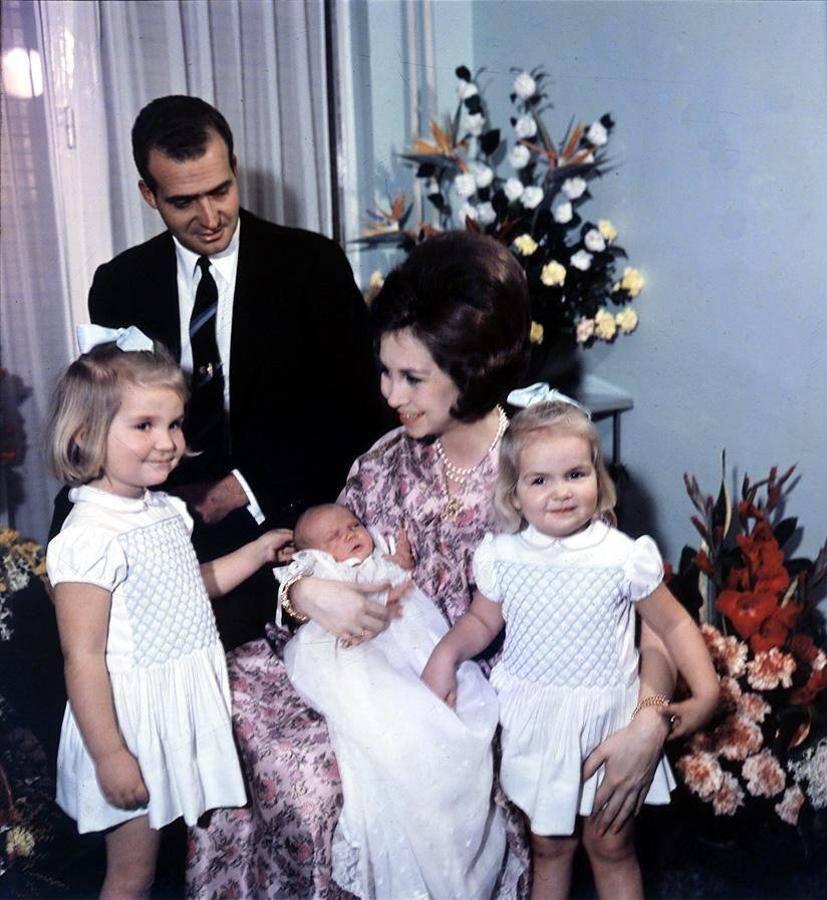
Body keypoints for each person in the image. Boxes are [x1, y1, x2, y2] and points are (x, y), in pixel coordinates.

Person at [187, 231, 675, 899]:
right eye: (384, 372)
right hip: (378, 666)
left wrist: (650, 715)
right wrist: (303, 591)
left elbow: (650, 621)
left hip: (497, 701)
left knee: (324, 781)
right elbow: (321, 557)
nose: (391, 394)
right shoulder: (383, 462)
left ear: (471, 368)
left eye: (412, 378)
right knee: (233, 705)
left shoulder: (547, 468)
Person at [51, 94, 386, 651]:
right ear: (149, 194)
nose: (209, 218)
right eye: (183, 201)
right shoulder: (119, 284)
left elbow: (354, 419)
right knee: (76, 586)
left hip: (274, 501)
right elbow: (106, 418)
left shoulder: (311, 266)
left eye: (220, 190)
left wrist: (236, 491)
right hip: (152, 498)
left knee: (200, 628)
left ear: (234, 169)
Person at [422, 394, 720, 900]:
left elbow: (672, 627)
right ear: (514, 494)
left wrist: (707, 692)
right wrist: (445, 654)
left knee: (611, 846)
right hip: (535, 722)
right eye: (540, 480)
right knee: (550, 849)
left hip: (608, 721)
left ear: (597, 480)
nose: (560, 492)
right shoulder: (502, 556)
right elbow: (480, 620)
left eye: (575, 475)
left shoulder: (623, 557)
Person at [44, 330, 293, 898]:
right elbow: (81, 657)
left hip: (176, 708)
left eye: (175, 423)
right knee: (132, 874)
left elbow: (189, 589)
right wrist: (110, 755)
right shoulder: (88, 536)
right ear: (85, 436)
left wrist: (256, 552)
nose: (168, 442)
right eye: (143, 426)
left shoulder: (165, 510)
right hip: (129, 724)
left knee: (167, 865)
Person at [278, 504, 507, 899]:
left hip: (412, 643)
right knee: (385, 711)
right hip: (359, 649)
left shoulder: (380, 556)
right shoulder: (320, 573)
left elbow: (408, 588)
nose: (351, 535)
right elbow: (298, 593)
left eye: (353, 525)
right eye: (335, 537)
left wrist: (400, 565)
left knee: (457, 710)